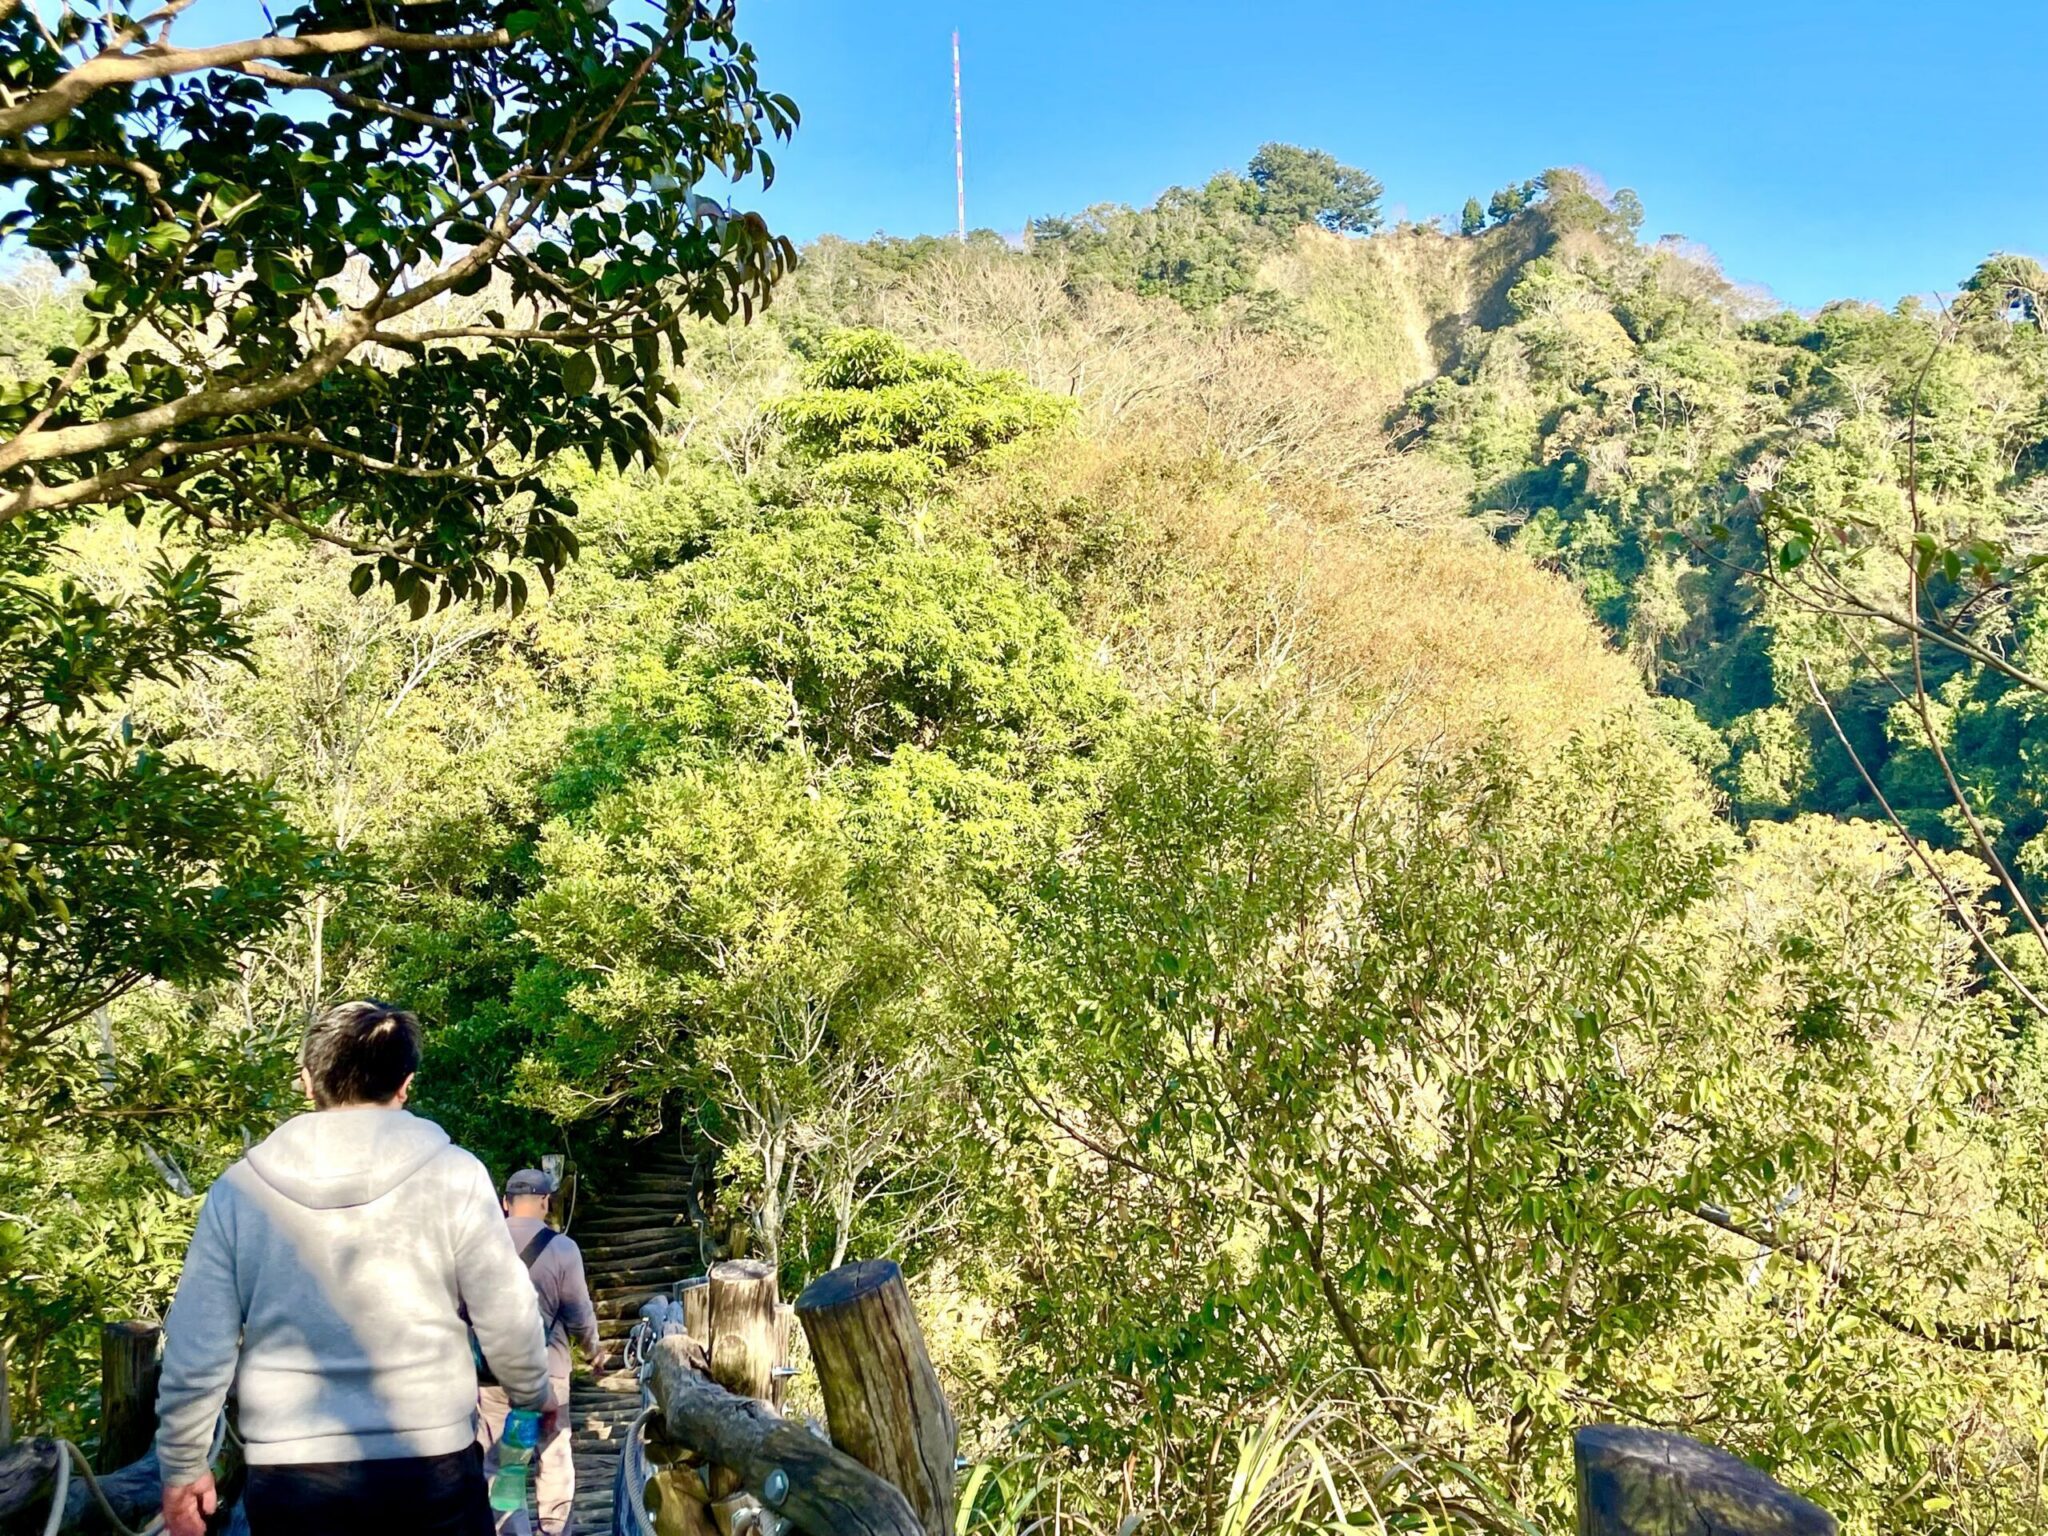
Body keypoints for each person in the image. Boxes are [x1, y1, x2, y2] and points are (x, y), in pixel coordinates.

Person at [154, 1000, 556, 1536]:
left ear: (306, 1079)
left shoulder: (240, 1191)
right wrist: (532, 1393)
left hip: (290, 1471)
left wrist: (183, 1464)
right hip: (431, 1458)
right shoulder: (454, 1175)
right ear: (405, 1084)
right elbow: (506, 1311)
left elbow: (197, 1345)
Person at [476, 1169, 607, 1536]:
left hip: (493, 1373)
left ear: (505, 1204)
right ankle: (553, 1529)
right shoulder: (562, 1249)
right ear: (546, 1203)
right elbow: (579, 1313)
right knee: (552, 1454)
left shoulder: (479, 1245)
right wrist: (593, 1352)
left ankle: (512, 1530)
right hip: (548, 1373)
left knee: (506, 1463)